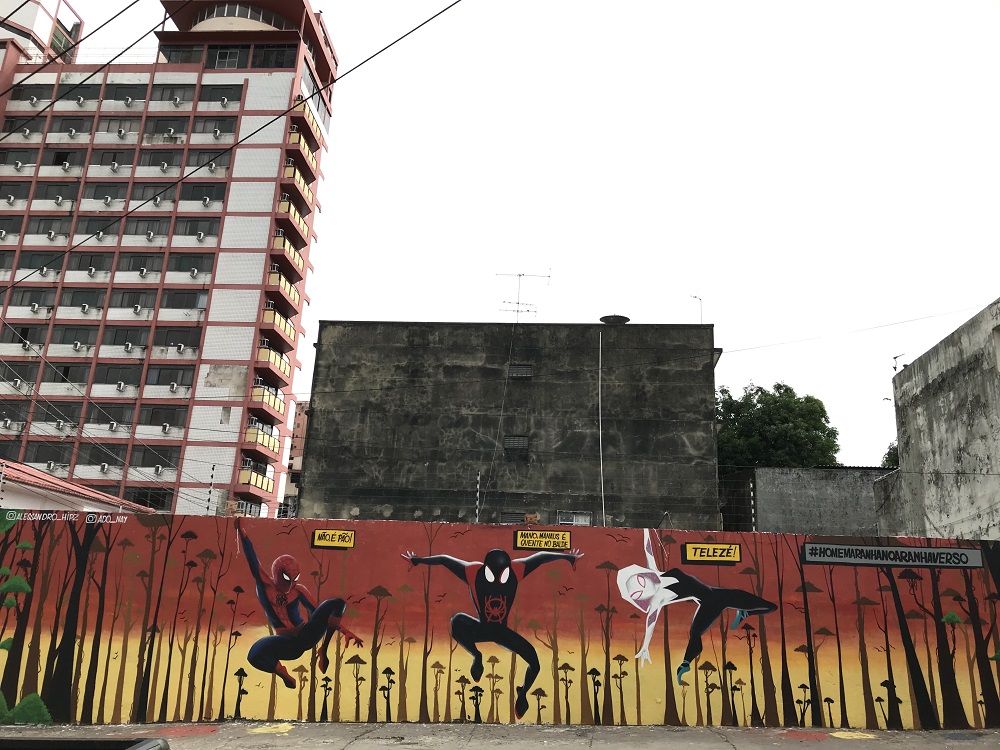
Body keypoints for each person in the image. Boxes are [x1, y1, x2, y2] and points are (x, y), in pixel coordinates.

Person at [402, 546, 583, 718]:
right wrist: (417, 560)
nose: (497, 580)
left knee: (535, 663)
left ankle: (522, 693)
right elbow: (445, 560)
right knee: (456, 622)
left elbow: (541, 557)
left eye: (502, 576)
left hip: (502, 633)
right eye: (492, 575)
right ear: (485, 569)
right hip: (481, 629)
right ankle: (477, 656)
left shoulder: (516, 571)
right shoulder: (473, 572)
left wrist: (569, 558)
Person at [618, 529, 776, 684]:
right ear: (641, 598)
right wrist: (645, 646)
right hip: (712, 603)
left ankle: (744, 614)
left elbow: (648, 548)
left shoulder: (656, 572)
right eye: (638, 593)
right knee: (695, 634)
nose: (643, 588)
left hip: (717, 595)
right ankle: (685, 663)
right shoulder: (657, 600)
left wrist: (646, 529)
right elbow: (650, 622)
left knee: (770, 607)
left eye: (640, 581)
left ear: (643, 576)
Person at [236, 517, 362, 688]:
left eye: (295, 579)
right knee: (254, 655)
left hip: (306, 636)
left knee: (337, 603)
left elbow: (319, 613)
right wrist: (242, 532)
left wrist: (345, 631)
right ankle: (282, 672)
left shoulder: (299, 590)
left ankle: (323, 650)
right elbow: (252, 559)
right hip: (287, 644)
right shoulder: (265, 586)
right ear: (277, 574)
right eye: (287, 578)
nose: (291, 584)